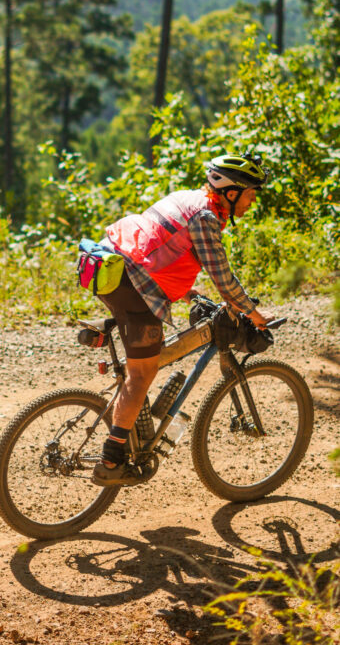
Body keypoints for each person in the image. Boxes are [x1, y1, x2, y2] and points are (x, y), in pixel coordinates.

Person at [92, 152, 277, 487]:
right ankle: (111, 459)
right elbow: (223, 278)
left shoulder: (186, 199)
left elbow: (158, 248)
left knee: (144, 355)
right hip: (130, 282)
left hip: (106, 265)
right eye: (250, 194)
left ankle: (134, 426)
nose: (251, 202)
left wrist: (189, 293)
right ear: (231, 193)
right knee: (142, 372)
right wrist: (254, 314)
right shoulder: (206, 217)